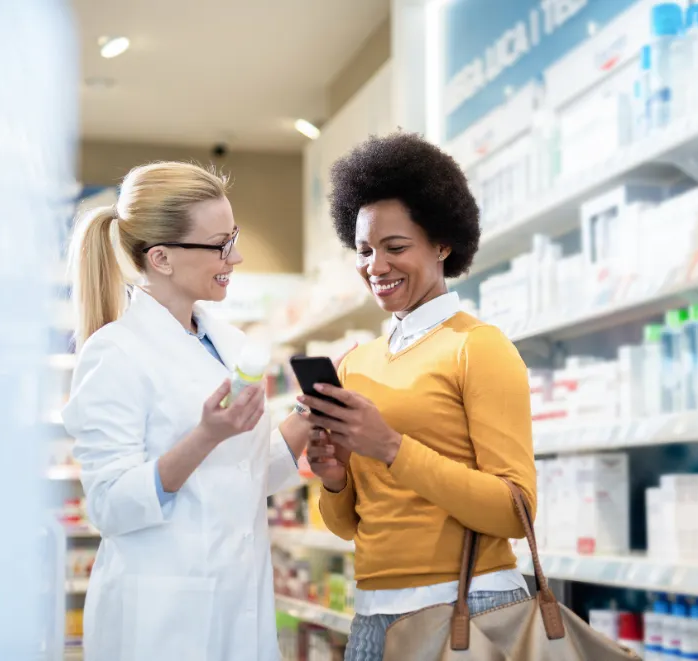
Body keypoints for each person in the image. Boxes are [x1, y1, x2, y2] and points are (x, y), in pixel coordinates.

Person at [62, 162, 318, 661]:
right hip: (163, 620)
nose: (237, 256)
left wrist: (309, 417)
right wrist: (204, 436)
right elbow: (110, 505)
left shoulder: (225, 344)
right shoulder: (115, 352)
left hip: (238, 600)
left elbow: (238, 478)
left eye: (234, 237)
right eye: (221, 244)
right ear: (161, 257)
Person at [298, 133, 538, 661]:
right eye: (363, 251)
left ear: (442, 243)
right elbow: (348, 526)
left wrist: (391, 447)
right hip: (372, 615)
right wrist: (335, 480)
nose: (376, 267)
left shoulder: (478, 347)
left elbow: (516, 511)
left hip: (470, 608)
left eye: (396, 247)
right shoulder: (355, 364)